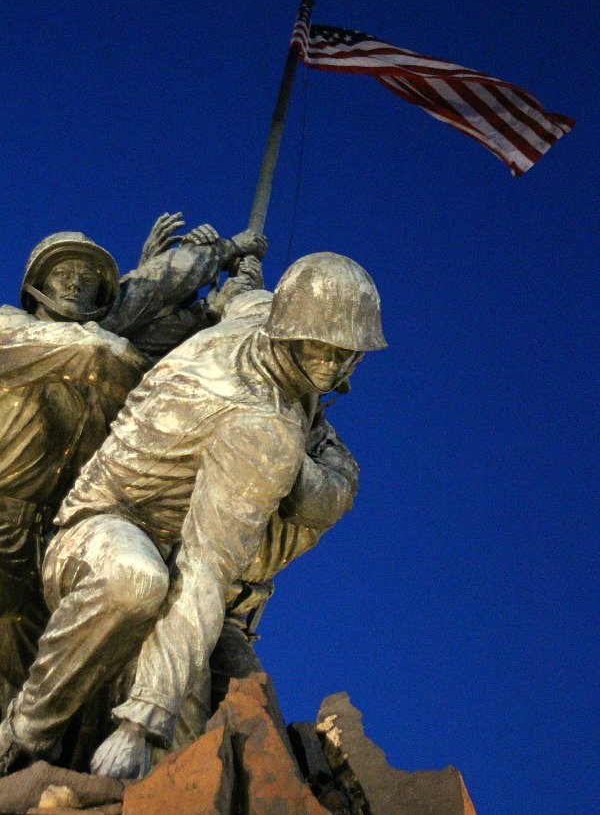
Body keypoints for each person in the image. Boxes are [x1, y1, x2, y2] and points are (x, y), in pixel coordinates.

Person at [0, 252, 386, 778]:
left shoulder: (259, 326)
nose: (336, 367)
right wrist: (143, 719)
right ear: (290, 329)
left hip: (188, 568)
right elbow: (205, 568)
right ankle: (25, 732)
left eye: (349, 354)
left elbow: (205, 565)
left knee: (183, 754)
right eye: (324, 347)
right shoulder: (261, 426)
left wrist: (245, 268)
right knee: (133, 580)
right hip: (98, 531)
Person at [0, 219, 266, 712]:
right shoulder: (11, 329)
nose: (76, 284)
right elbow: (95, 348)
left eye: (88, 277)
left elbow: (180, 325)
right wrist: (218, 251)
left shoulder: (110, 341)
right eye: (64, 274)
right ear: (36, 286)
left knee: (63, 662)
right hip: (4, 524)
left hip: (57, 534)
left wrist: (233, 295)